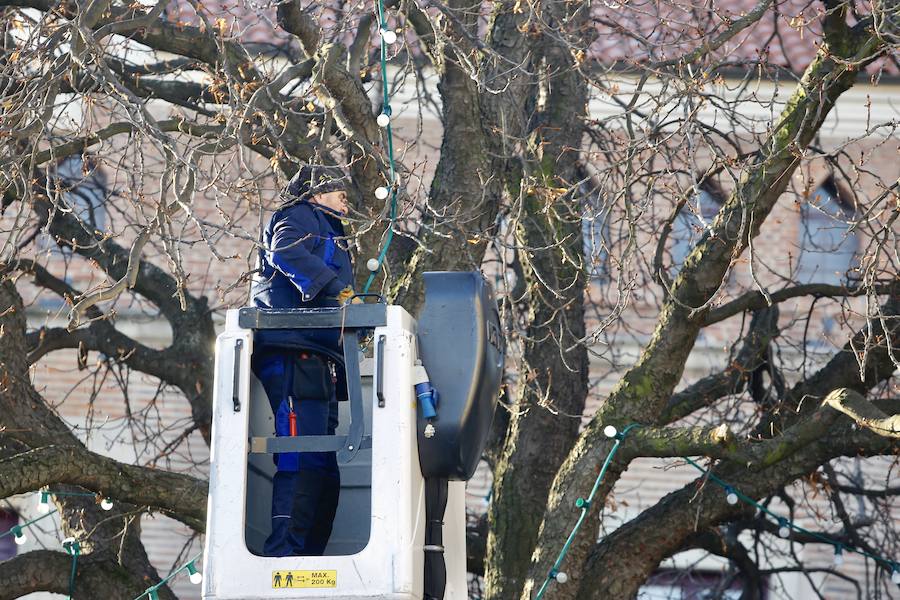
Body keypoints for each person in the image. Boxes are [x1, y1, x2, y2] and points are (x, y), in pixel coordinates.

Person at [250, 164, 355, 557]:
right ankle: (285, 555)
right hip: (295, 350)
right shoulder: (299, 216)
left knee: (322, 462)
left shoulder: (327, 226)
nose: (346, 196)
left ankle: (308, 556)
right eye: (338, 189)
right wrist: (331, 289)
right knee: (300, 452)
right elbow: (285, 250)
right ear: (315, 192)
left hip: (317, 356)